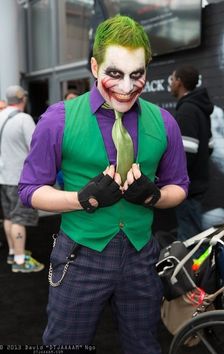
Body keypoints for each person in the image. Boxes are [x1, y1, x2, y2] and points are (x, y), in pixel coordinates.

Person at [19, 15, 189, 353]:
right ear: (95, 67)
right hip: (81, 256)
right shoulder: (58, 119)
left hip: (142, 256)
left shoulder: (164, 122)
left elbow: (179, 187)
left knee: (143, 346)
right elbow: (29, 192)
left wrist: (154, 196)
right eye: (114, 73)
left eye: (136, 74)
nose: (126, 87)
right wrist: (82, 198)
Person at [0, 85, 44, 273]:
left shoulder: (0, 116)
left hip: (3, 177)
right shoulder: (24, 119)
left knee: (9, 216)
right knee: (19, 219)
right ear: (22, 99)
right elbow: (36, 147)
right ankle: (20, 261)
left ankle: (12, 253)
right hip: (19, 177)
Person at [169, 65, 214, 241]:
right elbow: (209, 146)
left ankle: (190, 269)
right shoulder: (199, 108)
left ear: (179, 82)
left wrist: (173, 178)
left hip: (187, 188)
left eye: (172, 79)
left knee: (189, 240)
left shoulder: (187, 110)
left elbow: (185, 154)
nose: (171, 84)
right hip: (197, 185)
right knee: (195, 235)